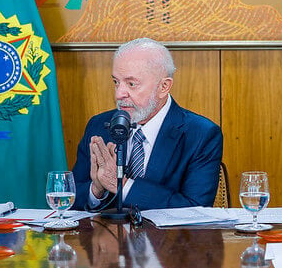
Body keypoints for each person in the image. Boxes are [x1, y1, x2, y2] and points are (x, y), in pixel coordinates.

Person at [72, 37, 222, 211]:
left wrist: (122, 185)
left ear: (164, 87)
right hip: (104, 237)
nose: (120, 94)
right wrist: (97, 190)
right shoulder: (98, 125)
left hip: (169, 238)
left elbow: (196, 209)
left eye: (131, 84)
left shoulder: (201, 134)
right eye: (116, 82)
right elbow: (72, 197)